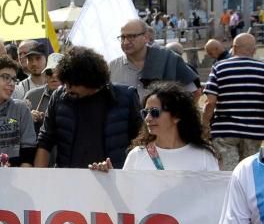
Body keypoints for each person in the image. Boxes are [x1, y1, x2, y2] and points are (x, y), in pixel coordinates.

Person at [34, 47, 142, 169]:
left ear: (91, 81)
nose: (67, 89)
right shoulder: (59, 97)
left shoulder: (126, 97)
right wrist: (39, 177)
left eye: (72, 84)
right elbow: (45, 141)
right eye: (65, 83)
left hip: (113, 179)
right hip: (68, 180)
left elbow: (140, 142)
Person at [203, 33, 264, 171]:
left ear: (234, 48)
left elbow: (210, 102)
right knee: (248, 174)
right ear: (254, 50)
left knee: (227, 173)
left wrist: (205, 125)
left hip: (225, 130)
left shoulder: (219, 67)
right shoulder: (262, 69)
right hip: (254, 131)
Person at [109, 19, 198, 101]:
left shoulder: (168, 59)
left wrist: (176, 116)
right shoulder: (112, 68)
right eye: (123, 37)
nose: (126, 42)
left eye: (131, 37)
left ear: (146, 37)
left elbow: (195, 93)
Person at [25, 53, 63, 135]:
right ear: (45, 75)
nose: (54, 76)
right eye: (49, 72)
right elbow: (14, 122)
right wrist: (27, 118)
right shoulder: (31, 96)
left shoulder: (76, 96)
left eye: (59, 72)